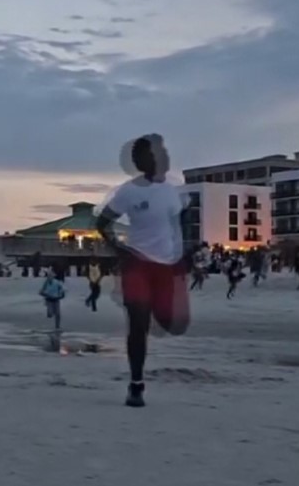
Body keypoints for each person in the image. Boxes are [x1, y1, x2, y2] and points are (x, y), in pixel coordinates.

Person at [96, 134, 191, 408]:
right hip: (137, 264)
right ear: (140, 161)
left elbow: (175, 226)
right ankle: (136, 385)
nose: (162, 158)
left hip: (166, 268)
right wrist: (119, 248)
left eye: (162, 153)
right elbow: (102, 223)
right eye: (155, 154)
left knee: (169, 321)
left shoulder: (171, 191)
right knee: (138, 325)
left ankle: (159, 315)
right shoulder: (128, 192)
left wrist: (182, 256)